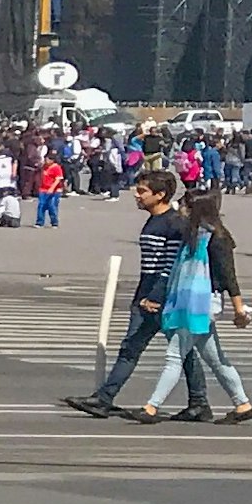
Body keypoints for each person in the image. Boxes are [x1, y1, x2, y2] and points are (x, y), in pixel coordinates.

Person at [72, 170, 188, 418]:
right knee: (179, 352)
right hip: (146, 293)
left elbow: (170, 266)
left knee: (139, 347)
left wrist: (155, 296)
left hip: (159, 297)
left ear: (160, 195)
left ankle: (104, 398)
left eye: (142, 191)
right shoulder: (154, 220)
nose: (137, 195)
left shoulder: (173, 223)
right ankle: (200, 402)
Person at [132, 189, 252, 423]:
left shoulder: (216, 239)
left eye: (184, 204)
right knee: (216, 359)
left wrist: (239, 308)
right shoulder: (194, 235)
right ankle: (242, 404)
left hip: (201, 303)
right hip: (192, 302)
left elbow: (229, 276)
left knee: (175, 356)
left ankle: (151, 407)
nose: (180, 208)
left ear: (197, 209)